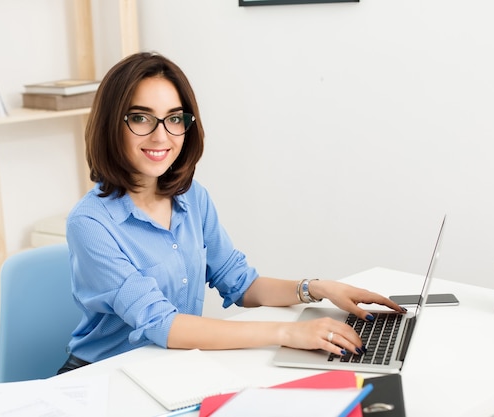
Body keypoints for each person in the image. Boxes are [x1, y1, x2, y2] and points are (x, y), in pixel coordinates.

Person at [58, 52, 405, 374]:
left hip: (168, 368)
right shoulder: (89, 223)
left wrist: (316, 288)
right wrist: (290, 332)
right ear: (109, 124)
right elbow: (161, 324)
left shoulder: (192, 198)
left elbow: (241, 282)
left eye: (174, 119)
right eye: (140, 118)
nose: (161, 135)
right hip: (101, 378)